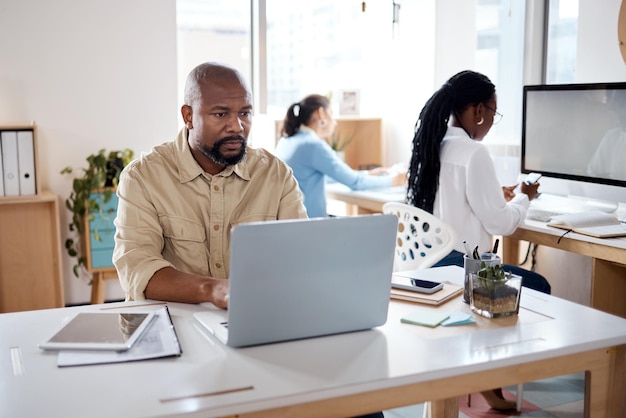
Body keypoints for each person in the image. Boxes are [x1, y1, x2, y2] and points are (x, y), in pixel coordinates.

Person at [406, 70, 549, 411]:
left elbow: (450, 203)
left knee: (511, 280)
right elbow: (501, 222)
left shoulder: (431, 143)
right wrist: (525, 197)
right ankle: (486, 373)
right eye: (493, 114)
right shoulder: (473, 152)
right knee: (539, 288)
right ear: (479, 111)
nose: (490, 124)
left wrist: (496, 196)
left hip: (424, 270)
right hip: (462, 276)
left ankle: (482, 374)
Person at [112, 62, 307, 310]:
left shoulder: (276, 175)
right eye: (221, 114)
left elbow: (298, 260)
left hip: (254, 318)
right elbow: (137, 267)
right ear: (188, 116)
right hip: (170, 323)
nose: (237, 126)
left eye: (245, 113)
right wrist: (211, 289)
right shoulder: (143, 177)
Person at [274, 94, 406, 218]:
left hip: (291, 221)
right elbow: (355, 183)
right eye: (331, 114)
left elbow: (325, 177)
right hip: (311, 223)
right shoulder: (313, 145)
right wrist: (394, 180)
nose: (335, 122)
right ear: (321, 113)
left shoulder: (286, 141)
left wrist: (366, 174)